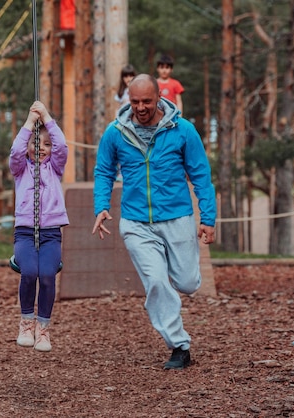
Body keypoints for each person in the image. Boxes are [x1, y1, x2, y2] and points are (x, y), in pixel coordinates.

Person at [91, 74, 216, 369]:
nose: (141, 107)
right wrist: (101, 207)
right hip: (136, 222)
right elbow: (104, 171)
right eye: (135, 101)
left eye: (147, 101)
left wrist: (208, 218)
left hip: (177, 217)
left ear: (159, 97)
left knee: (187, 282)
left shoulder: (183, 130)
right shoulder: (115, 132)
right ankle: (179, 345)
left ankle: (179, 280)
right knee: (157, 282)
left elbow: (201, 175)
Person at [9, 100, 69, 352]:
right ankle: (26, 323)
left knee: (47, 276)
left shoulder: (55, 168)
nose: (41, 148)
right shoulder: (20, 168)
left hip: (51, 233)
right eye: (37, 143)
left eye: (46, 144)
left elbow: (63, 147)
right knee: (30, 273)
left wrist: (46, 117)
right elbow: (15, 151)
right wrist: (30, 123)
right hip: (25, 231)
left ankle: (43, 330)